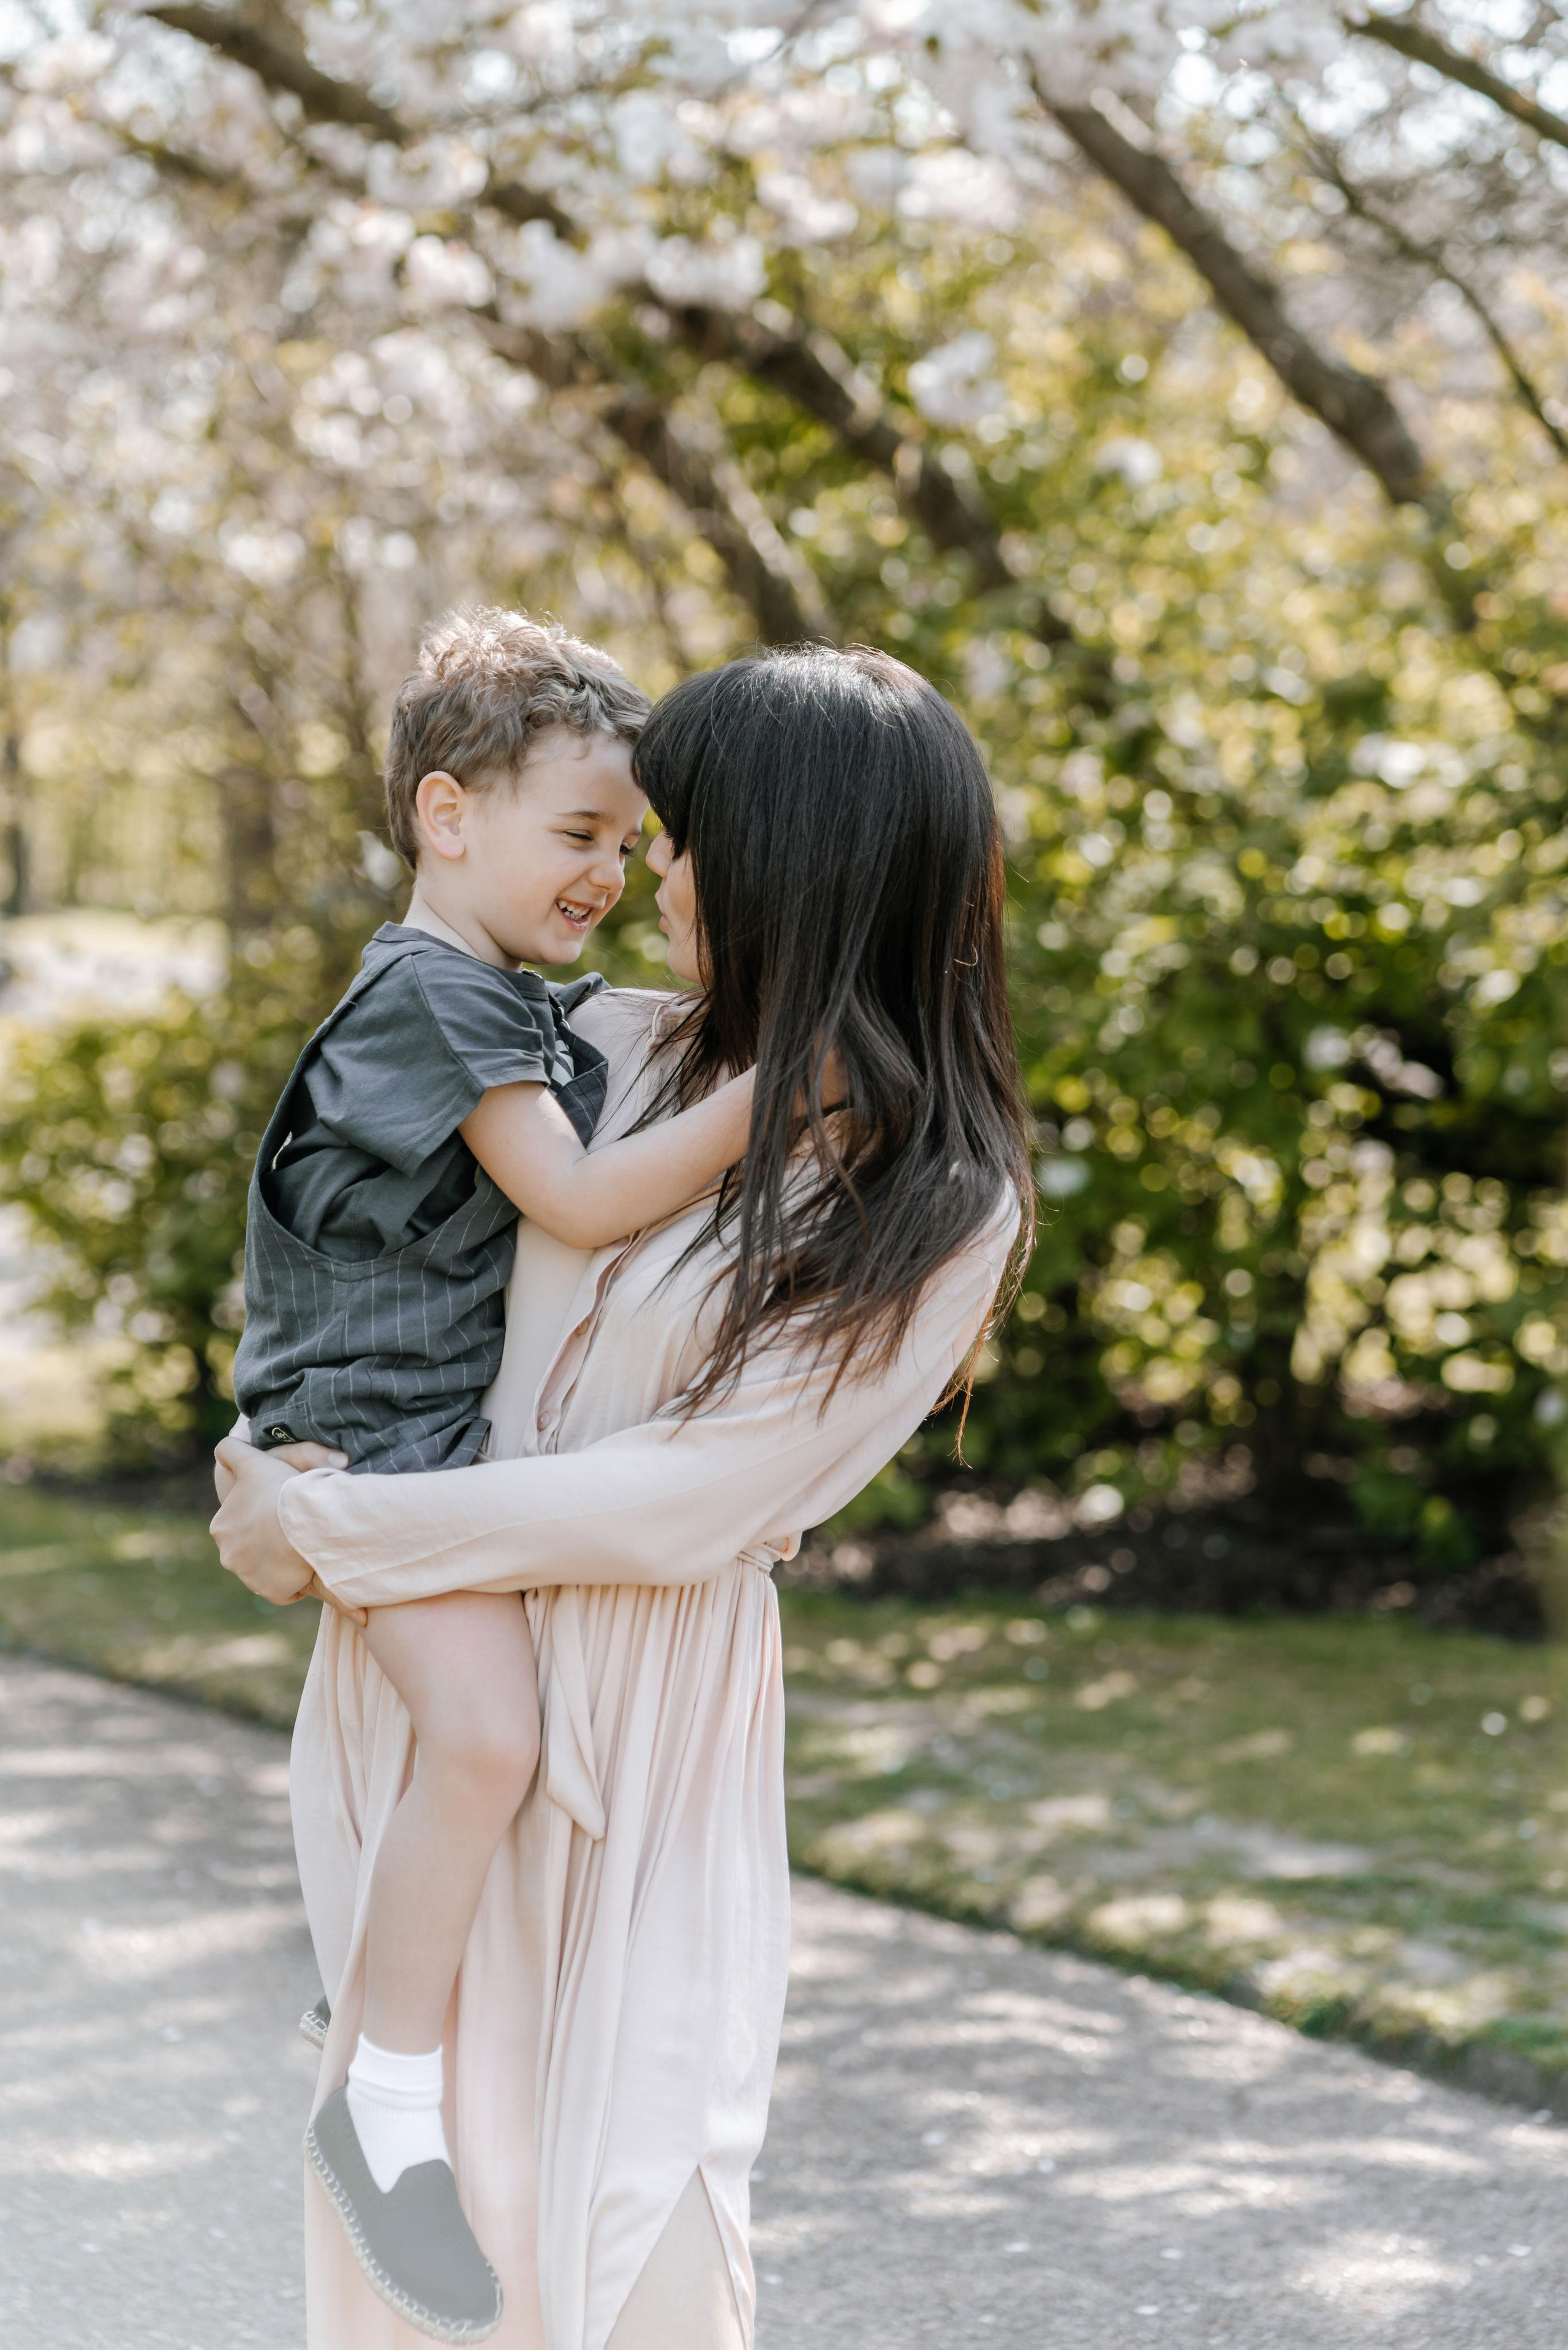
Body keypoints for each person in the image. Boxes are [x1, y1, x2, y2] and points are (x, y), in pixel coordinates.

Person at [211, 644, 1034, 2350]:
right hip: (437, 1677)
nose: (642, 869)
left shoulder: (944, 1199)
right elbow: (351, 1264)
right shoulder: (592, 1047)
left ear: (788, 861)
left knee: (636, 2234)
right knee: (418, 2267)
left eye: (680, 835)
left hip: (645, 1732)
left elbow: (682, 1500)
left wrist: (324, 1532)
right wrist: (289, 1471)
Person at [230, 609, 758, 2341]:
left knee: (494, 1742)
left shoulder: (490, 988)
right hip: (374, 1436)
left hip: (400, 1426)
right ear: (448, 819)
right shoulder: (440, 994)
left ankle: (394, 2077)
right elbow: (587, 1202)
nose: (612, 870)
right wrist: (790, 1087)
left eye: (633, 845)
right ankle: (382, 2107)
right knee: (488, 1736)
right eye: (580, 834)